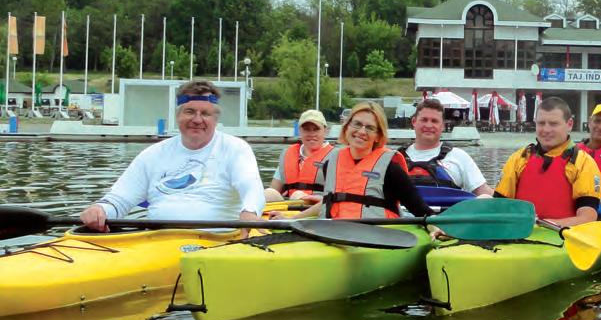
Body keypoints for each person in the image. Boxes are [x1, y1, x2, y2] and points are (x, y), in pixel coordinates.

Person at [80, 80, 265, 233]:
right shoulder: (153, 154)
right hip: (159, 241)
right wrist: (99, 210)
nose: (197, 120)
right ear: (178, 116)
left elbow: (251, 187)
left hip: (217, 242)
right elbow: (120, 199)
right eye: (189, 112)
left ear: (215, 119)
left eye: (205, 114)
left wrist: (250, 212)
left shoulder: (235, 148)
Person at [289, 102, 433, 220]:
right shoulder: (330, 164)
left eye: (370, 128)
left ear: (378, 136)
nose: (362, 132)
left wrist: (434, 227)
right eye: (357, 124)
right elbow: (329, 203)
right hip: (333, 234)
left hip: (375, 237)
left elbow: (421, 211)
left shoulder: (391, 170)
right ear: (347, 127)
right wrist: (292, 219)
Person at [494, 96, 601, 227]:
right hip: (520, 235)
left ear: (569, 124)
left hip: (561, 236)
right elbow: (498, 207)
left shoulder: (583, 163)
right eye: (541, 123)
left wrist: (543, 225)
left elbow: (588, 218)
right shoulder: (519, 159)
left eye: (553, 124)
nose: (546, 130)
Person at [403, 98, 493, 196]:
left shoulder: (459, 156)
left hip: (449, 206)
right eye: (424, 120)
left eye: (434, 121)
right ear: (414, 122)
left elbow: (483, 192)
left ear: (443, 126)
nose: (429, 125)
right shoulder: (397, 158)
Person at [264, 109, 335, 202]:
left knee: (297, 195)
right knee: (268, 193)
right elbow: (274, 188)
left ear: (325, 131)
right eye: (307, 129)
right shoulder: (288, 155)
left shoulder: (335, 157)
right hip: (290, 205)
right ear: (300, 131)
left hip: (320, 204)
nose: (312, 134)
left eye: (316, 129)